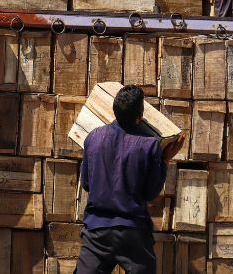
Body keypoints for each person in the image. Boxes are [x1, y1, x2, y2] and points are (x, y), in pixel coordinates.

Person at [76, 85, 185, 273]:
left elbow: (86, 184)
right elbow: (150, 193)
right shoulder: (150, 146)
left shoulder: (92, 138)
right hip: (133, 232)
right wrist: (165, 160)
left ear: (114, 110)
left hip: (96, 231)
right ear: (140, 116)